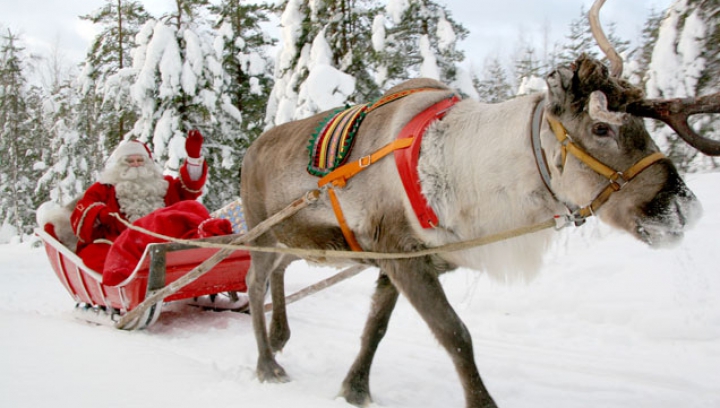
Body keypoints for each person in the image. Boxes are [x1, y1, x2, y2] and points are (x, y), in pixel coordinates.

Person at [70, 130, 231, 284]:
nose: (136, 166)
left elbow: (189, 190)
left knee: (191, 207)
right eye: (130, 162)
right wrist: (100, 213)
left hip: (167, 241)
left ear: (148, 163)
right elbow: (85, 206)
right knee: (100, 257)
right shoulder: (105, 188)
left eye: (140, 161)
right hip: (122, 243)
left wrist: (193, 158)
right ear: (119, 165)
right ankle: (134, 285)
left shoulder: (163, 185)